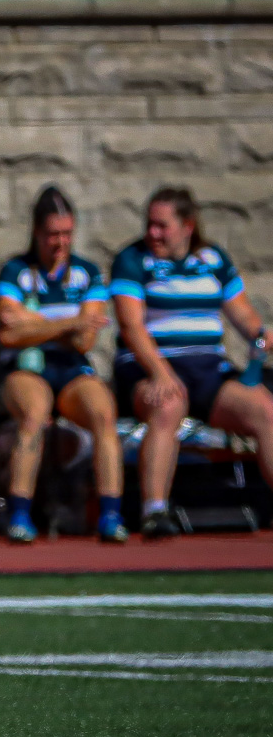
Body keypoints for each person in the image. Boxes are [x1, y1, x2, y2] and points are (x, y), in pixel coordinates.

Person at [111, 187, 273, 539]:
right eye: (150, 224)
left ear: (187, 226)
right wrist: (160, 372)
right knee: (168, 405)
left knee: (264, 409)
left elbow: (243, 314)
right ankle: (155, 510)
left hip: (208, 370)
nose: (153, 233)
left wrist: (261, 336)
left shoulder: (213, 259)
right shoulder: (133, 260)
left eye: (162, 226)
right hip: (150, 366)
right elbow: (131, 325)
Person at [0, 187, 124, 543]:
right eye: (53, 234)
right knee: (34, 415)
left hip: (71, 369)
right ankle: (20, 514)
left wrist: (32, 323)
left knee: (103, 413)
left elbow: (85, 341)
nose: (61, 242)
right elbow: (8, 333)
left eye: (67, 233)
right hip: (27, 368)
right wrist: (70, 322)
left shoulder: (87, 273)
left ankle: (111, 514)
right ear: (37, 232)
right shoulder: (16, 271)